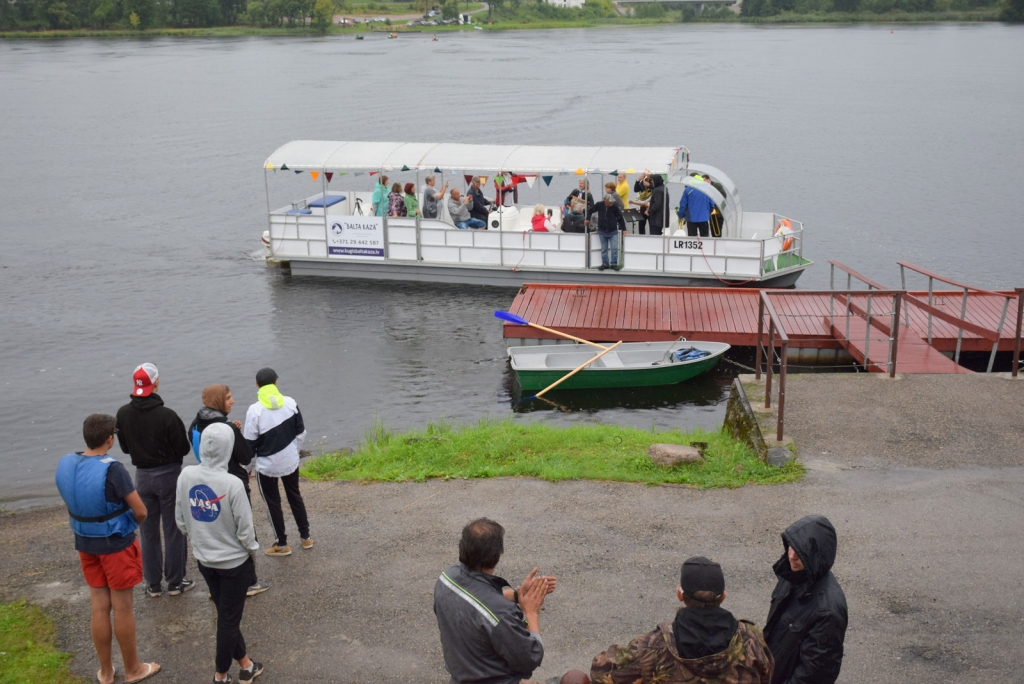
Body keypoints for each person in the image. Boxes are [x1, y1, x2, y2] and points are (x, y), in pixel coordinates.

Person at [55, 414, 161, 684]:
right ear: (110, 439)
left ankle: (105, 671)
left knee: (99, 607)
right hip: (115, 545)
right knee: (123, 608)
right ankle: (134, 670)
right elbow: (141, 511)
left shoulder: (68, 463)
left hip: (85, 543)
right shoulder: (113, 469)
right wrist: (129, 525)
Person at [175, 423, 264, 684]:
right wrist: (252, 552)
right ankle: (220, 675)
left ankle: (247, 666)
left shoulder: (186, 475)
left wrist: (198, 538)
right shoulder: (232, 483)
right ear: (229, 449)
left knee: (226, 615)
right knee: (227, 620)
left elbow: (180, 519)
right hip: (235, 563)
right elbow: (246, 529)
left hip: (205, 560)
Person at [590, 556, 772, 684]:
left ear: (680, 595)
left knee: (573, 678)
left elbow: (601, 672)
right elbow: (767, 676)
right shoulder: (750, 638)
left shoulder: (655, 645)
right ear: (723, 597)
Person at [434, 518, 556, 684]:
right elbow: (530, 657)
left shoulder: (446, 578)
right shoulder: (501, 614)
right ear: (497, 556)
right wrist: (531, 612)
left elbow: (476, 600)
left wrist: (517, 596)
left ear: (463, 547)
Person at [115, 363, 194, 599]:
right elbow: (183, 447)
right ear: (156, 382)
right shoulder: (167, 416)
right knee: (173, 528)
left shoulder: (123, 414)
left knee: (147, 531)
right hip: (168, 475)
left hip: (142, 477)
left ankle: (152, 584)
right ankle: (175, 582)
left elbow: (126, 448)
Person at [188, 384, 269, 598]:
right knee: (242, 526)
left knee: (215, 527)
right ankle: (249, 582)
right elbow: (244, 457)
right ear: (218, 401)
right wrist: (236, 434)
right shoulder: (228, 429)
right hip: (231, 482)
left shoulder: (195, 426)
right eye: (228, 398)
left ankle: (217, 582)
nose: (232, 401)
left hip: (206, 484)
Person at [763, 515, 848, 684]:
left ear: (817, 556)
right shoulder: (792, 576)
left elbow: (814, 675)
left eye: (802, 552)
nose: (792, 556)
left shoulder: (828, 612)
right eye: (791, 546)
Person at [242, 367, 312, 556]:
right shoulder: (291, 403)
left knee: (273, 503)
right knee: (294, 496)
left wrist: (248, 468)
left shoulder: (254, 411)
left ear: (257, 385)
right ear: (276, 383)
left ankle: (282, 544)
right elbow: (301, 432)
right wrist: (293, 452)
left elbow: (250, 445)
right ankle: (306, 537)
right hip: (290, 462)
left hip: (267, 467)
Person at [585, 193, 627, 271]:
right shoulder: (599, 205)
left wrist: (624, 229)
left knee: (614, 248)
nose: (611, 203)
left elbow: (620, 218)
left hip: (613, 231)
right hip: (602, 230)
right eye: (610, 202)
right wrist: (587, 219)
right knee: (604, 249)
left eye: (612, 202)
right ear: (605, 201)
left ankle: (614, 263)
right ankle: (605, 263)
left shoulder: (615, 207)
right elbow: (590, 210)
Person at [678, 174, 716, 238]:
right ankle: (704, 247)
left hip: (691, 218)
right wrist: (708, 212)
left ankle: (693, 248)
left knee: (692, 239)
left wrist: (681, 215)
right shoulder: (707, 189)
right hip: (704, 218)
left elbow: (683, 204)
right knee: (705, 238)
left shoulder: (688, 189)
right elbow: (712, 204)